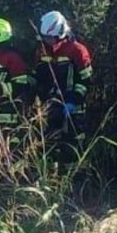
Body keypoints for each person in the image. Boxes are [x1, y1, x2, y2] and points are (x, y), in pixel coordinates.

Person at [34, 10, 93, 167]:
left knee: (72, 146)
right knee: (49, 143)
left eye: (50, 37)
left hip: (73, 107)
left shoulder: (77, 50)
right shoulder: (43, 51)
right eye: (45, 37)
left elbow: (86, 79)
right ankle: (53, 178)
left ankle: (75, 181)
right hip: (50, 105)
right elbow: (39, 75)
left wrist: (73, 100)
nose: (48, 41)